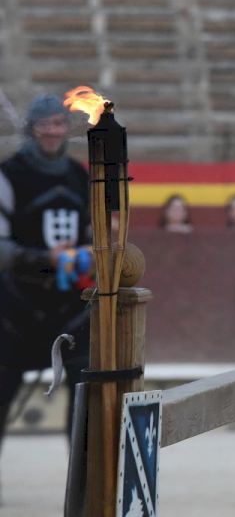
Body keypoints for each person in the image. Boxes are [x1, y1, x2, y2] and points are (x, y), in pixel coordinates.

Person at [0, 94, 92, 476]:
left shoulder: (80, 176)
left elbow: (92, 233)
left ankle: (85, 487)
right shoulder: (8, 175)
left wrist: (88, 253)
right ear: (31, 130)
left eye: (58, 124)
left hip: (71, 307)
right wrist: (43, 259)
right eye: (44, 125)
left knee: (87, 397)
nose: (52, 132)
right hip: (15, 307)